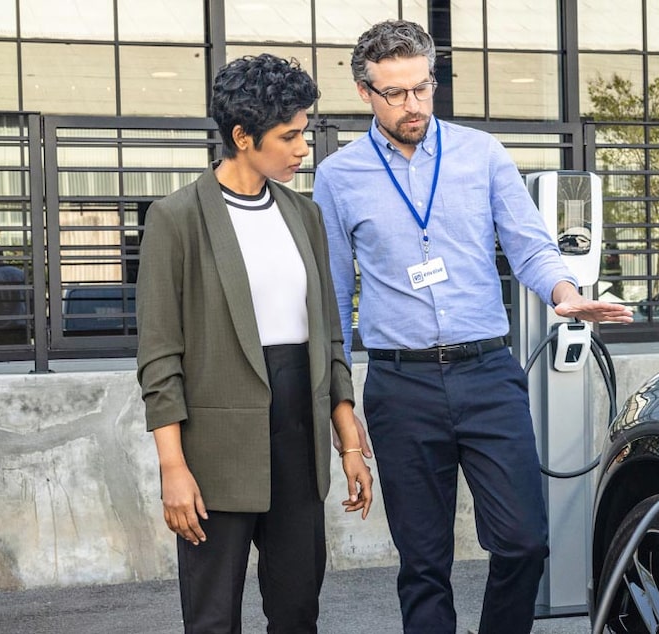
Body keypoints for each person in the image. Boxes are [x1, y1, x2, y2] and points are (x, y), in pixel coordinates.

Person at [312, 20, 634, 634]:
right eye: (396, 93)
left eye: (422, 88)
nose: (413, 105)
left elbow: (532, 248)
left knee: (524, 543)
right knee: (424, 563)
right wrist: (340, 406)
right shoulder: (338, 177)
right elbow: (332, 298)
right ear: (364, 93)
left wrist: (568, 294)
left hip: (488, 374)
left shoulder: (481, 154)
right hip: (400, 386)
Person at [135, 53, 373, 634]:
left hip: (299, 435)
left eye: (305, 132)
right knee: (213, 618)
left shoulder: (304, 215)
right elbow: (160, 356)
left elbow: (329, 330)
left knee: (297, 611)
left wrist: (347, 438)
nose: (302, 148)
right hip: (215, 451)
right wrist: (173, 467)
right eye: (289, 135)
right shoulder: (177, 218)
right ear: (242, 136)